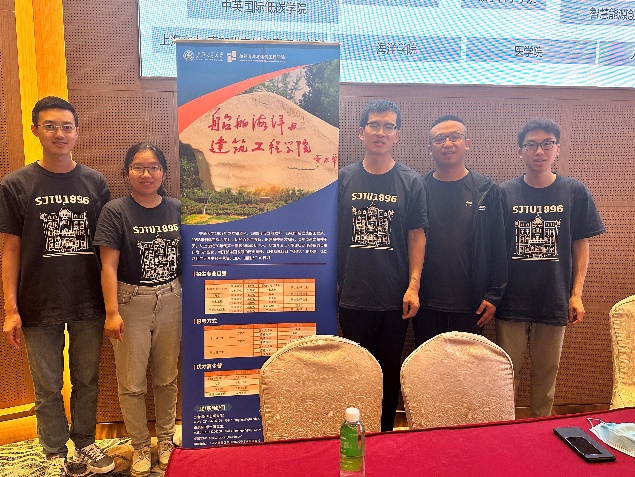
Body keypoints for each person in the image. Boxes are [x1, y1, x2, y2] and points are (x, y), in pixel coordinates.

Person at [0, 96, 115, 477]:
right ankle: (54, 452)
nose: (59, 133)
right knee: (47, 385)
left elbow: (106, 247)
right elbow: (11, 248)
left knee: (87, 379)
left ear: (77, 133)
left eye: (67, 127)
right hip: (37, 301)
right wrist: (11, 309)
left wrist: (112, 303)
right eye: (50, 126)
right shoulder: (16, 184)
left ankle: (85, 443)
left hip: (88, 299)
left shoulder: (95, 183)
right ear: (36, 130)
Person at [496, 118, 605, 417]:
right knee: (506, 374)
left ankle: (540, 429)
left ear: (557, 148)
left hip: (554, 296)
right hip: (511, 299)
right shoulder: (504, 193)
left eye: (546, 144)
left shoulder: (574, 191)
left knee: (546, 375)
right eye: (531, 145)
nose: (539, 151)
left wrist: (576, 294)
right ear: (520, 151)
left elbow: (580, 244)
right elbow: (494, 248)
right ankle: (505, 429)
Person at [338, 100, 427, 431]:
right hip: (351, 296)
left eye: (388, 126)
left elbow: (417, 236)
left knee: (389, 371)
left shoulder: (411, 181)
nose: (381, 132)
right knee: (355, 373)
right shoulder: (343, 179)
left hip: (394, 298)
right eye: (374, 125)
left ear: (397, 135)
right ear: (361, 132)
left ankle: (385, 436)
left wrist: (413, 286)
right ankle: (356, 432)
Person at [94, 143, 181, 476]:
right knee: (131, 383)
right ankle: (141, 445)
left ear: (163, 172)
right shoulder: (115, 211)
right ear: (127, 172)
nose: (147, 174)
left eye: (154, 167)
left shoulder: (176, 208)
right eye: (139, 167)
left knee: (167, 378)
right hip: (130, 302)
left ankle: (166, 441)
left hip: (172, 298)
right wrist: (111, 312)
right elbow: (108, 266)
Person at [413, 115, 507, 346]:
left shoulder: (486, 189)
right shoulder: (419, 189)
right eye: (440, 139)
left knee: (466, 366)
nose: (448, 143)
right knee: (427, 364)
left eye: (455, 137)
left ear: (467, 143)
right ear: (430, 148)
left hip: (472, 304)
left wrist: (494, 295)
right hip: (425, 302)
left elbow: (499, 244)